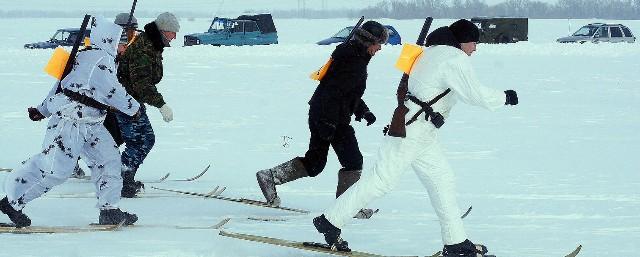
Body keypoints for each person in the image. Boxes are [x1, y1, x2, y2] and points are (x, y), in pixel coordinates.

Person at [311, 19, 519, 257]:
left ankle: (456, 242)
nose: (475, 49)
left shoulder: (429, 53)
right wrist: (505, 97)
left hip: (420, 131)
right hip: (412, 131)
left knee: (442, 180)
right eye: (474, 43)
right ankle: (330, 220)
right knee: (382, 180)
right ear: (463, 42)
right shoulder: (453, 58)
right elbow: (474, 94)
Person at [0, 17, 141, 227]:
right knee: (55, 170)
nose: (123, 49)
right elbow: (113, 92)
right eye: (121, 44)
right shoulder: (100, 59)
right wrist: (134, 109)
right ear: (109, 41)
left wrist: (43, 109)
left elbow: (60, 85)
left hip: (92, 123)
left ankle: (109, 210)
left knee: (109, 160)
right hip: (70, 122)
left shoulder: (87, 55)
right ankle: (12, 202)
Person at [256, 21, 388, 218]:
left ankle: (270, 177)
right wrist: (328, 123)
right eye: (378, 43)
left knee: (315, 163)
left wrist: (363, 111)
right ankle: (346, 208)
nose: (379, 49)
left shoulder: (351, 56)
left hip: (323, 114)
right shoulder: (353, 61)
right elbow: (334, 93)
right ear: (368, 41)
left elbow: (345, 92)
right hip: (331, 118)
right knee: (353, 162)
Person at [116, 12, 178, 198]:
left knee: (144, 139)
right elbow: (142, 84)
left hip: (132, 102)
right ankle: (120, 179)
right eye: (172, 33)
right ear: (163, 31)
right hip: (125, 102)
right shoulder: (144, 48)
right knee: (139, 141)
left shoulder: (152, 45)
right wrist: (161, 105)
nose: (174, 37)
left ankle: (123, 176)